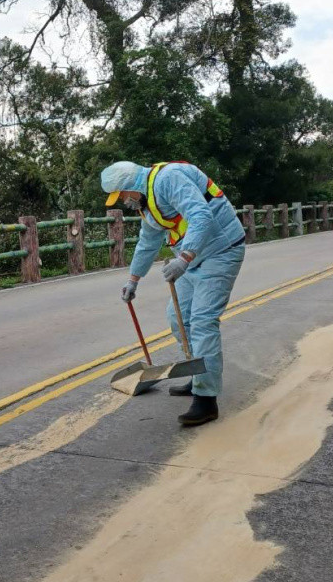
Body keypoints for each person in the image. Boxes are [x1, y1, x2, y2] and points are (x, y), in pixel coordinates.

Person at [101, 160, 246, 426]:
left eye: (122, 196)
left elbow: (201, 215)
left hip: (220, 251)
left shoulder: (169, 179)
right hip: (193, 257)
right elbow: (148, 241)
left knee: (202, 321)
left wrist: (185, 257)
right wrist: (133, 280)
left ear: (131, 186)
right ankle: (196, 374)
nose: (124, 202)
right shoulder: (148, 204)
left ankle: (206, 399)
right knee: (176, 317)